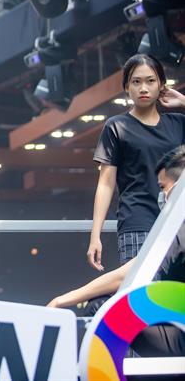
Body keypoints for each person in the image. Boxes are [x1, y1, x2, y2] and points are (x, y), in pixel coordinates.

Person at [49, 145, 185, 356]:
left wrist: (61, 301)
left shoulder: (179, 230)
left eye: (163, 187)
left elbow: (129, 274)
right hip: (176, 319)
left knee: (102, 308)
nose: (161, 196)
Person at [88, 54, 185, 271]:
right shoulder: (116, 126)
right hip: (137, 223)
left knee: (176, 288)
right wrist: (95, 236)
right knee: (140, 287)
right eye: (136, 82)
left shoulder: (179, 124)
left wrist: (183, 101)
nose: (143, 88)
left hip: (177, 223)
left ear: (161, 85)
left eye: (150, 81)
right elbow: (106, 183)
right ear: (126, 87)